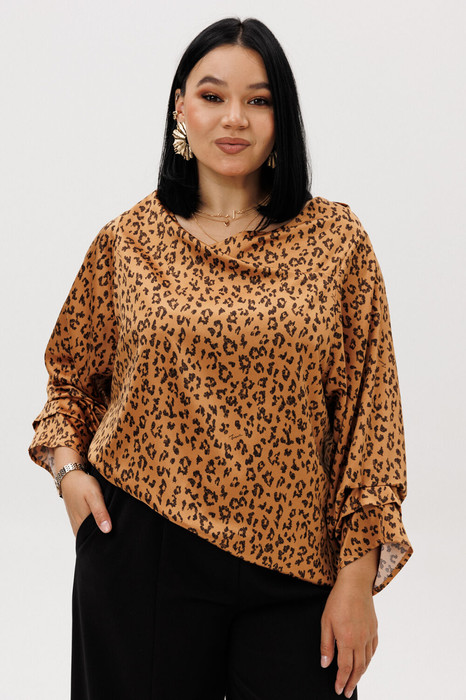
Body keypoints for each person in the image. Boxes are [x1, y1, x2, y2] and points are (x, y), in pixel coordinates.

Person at [28, 16, 413, 700]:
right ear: (181, 108)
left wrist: (357, 580)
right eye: (213, 96)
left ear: (281, 117)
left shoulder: (336, 241)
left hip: (297, 564)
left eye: (258, 100)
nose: (235, 118)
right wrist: (68, 473)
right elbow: (71, 381)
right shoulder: (128, 241)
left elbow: (370, 419)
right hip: (143, 549)